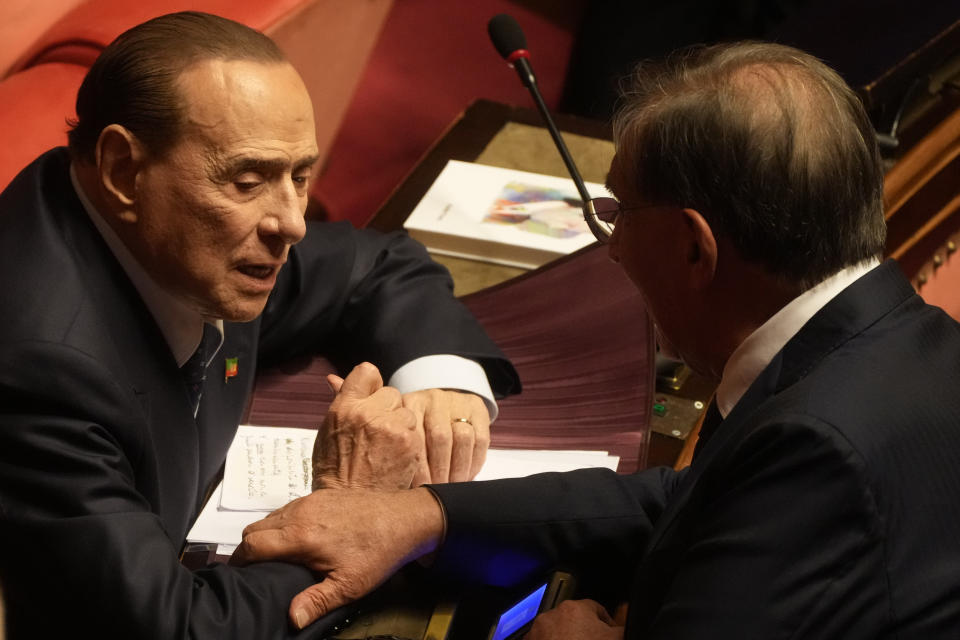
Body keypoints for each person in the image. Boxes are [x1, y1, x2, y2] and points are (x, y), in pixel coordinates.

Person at [234, 41, 960, 637]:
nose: (611, 249)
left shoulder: (819, 445)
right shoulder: (902, 347)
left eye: (620, 213)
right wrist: (425, 515)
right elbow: (686, 500)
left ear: (692, 249)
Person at [0, 11, 519, 640]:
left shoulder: (183, 236)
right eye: (248, 180)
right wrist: (351, 517)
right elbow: (175, 630)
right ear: (121, 169)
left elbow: (376, 265)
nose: (292, 223)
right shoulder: (40, 371)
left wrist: (446, 387)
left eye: (299, 176)